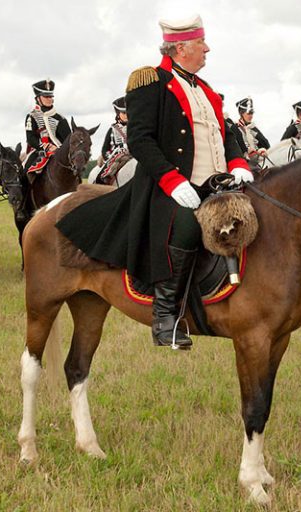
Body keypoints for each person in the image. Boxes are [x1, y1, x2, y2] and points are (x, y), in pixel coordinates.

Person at [56, 14, 252, 349]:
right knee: (190, 225)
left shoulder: (207, 91)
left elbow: (227, 134)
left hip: (216, 184)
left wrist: (238, 163)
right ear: (181, 48)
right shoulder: (149, 82)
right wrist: (174, 182)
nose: (208, 49)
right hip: (170, 187)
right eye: (201, 43)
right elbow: (141, 139)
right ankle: (166, 316)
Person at [24, 79, 72, 173]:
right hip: (39, 150)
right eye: (46, 96)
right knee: (25, 171)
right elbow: (30, 138)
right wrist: (46, 146)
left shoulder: (60, 118)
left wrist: (58, 148)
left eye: (51, 96)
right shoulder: (32, 116)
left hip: (60, 151)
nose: (50, 99)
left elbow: (68, 139)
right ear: (38, 98)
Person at [96, 96, 129, 182]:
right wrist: (110, 156)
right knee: (106, 174)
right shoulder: (113, 130)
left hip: (134, 154)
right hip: (117, 157)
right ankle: (103, 181)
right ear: (118, 113)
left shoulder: (138, 128)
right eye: (123, 113)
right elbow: (105, 149)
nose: (126, 115)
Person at [232, 96, 270, 169]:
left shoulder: (253, 128)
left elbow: (266, 144)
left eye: (252, 113)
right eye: (249, 113)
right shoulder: (235, 128)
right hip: (245, 163)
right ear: (241, 113)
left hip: (259, 161)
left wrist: (261, 151)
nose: (251, 116)